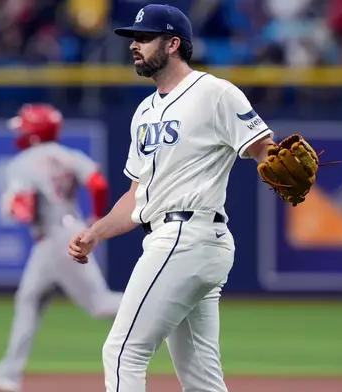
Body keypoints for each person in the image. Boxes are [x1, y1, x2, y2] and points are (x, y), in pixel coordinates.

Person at [67, 3, 278, 392]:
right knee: (201, 381)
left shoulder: (213, 92)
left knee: (122, 352)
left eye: (145, 38)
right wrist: (95, 233)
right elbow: (136, 197)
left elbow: (264, 148)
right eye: (134, 38)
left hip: (187, 237)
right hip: (184, 240)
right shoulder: (144, 111)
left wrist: (274, 157)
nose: (135, 45)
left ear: (173, 44)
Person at [0, 103, 124, 392]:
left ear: (34, 131)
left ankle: (160, 305)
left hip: (56, 238)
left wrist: (11, 207)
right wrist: (94, 217)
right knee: (28, 298)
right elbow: (98, 183)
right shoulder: (68, 155)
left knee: (99, 304)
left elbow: (25, 208)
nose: (20, 131)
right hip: (69, 229)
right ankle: (9, 373)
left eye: (25, 126)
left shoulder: (23, 162)